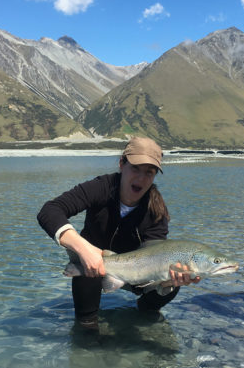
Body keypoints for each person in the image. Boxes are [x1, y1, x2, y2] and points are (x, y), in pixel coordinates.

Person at [37, 137, 199, 328]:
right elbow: (50, 211)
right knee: (86, 326)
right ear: (122, 164)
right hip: (91, 269)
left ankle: (145, 316)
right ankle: (87, 332)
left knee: (171, 285)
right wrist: (83, 249)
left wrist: (168, 283)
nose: (141, 178)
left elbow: (156, 254)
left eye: (149, 172)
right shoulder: (101, 187)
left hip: (139, 274)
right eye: (135, 168)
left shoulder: (156, 210)